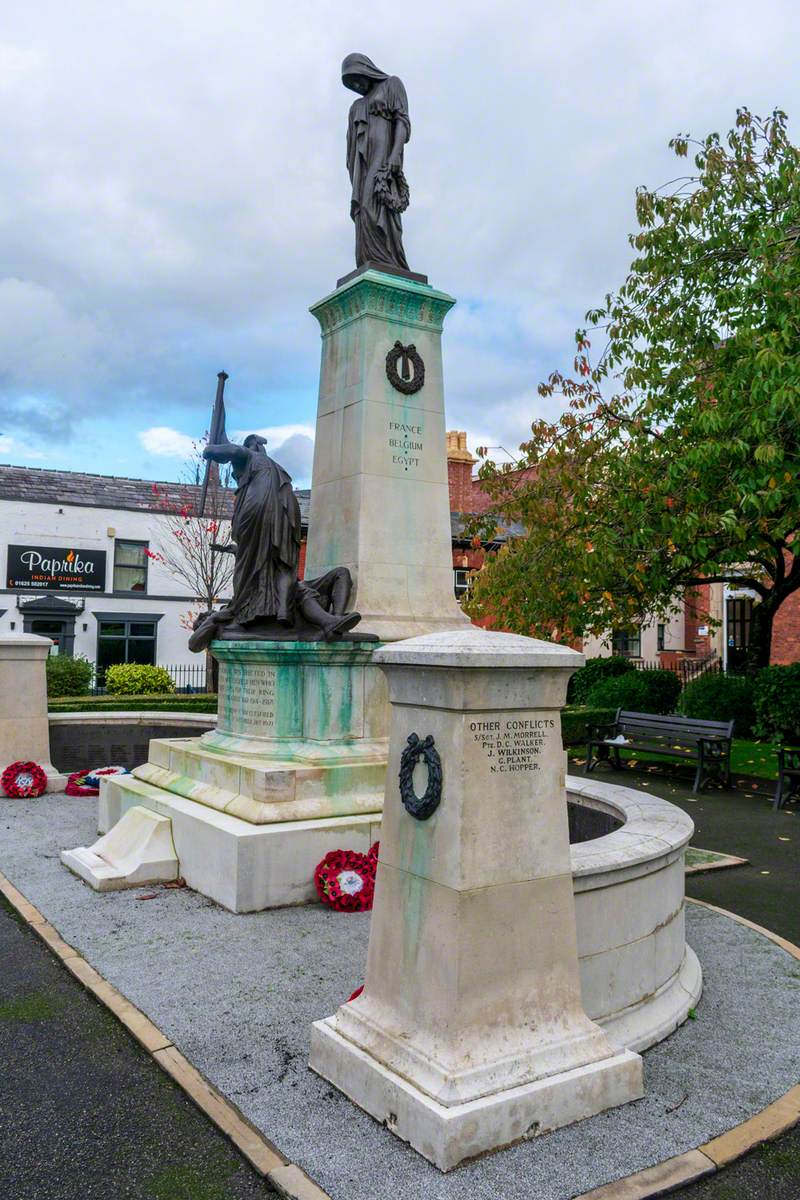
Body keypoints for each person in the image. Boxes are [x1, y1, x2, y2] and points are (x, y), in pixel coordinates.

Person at [342, 52, 411, 271]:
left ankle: (390, 259)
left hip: (383, 160)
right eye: (350, 82)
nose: (356, 84)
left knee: (377, 207)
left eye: (356, 77)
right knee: (363, 208)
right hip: (362, 166)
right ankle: (369, 260)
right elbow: (351, 144)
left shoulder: (392, 84)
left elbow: (402, 122)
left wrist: (394, 156)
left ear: (365, 69)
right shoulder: (356, 105)